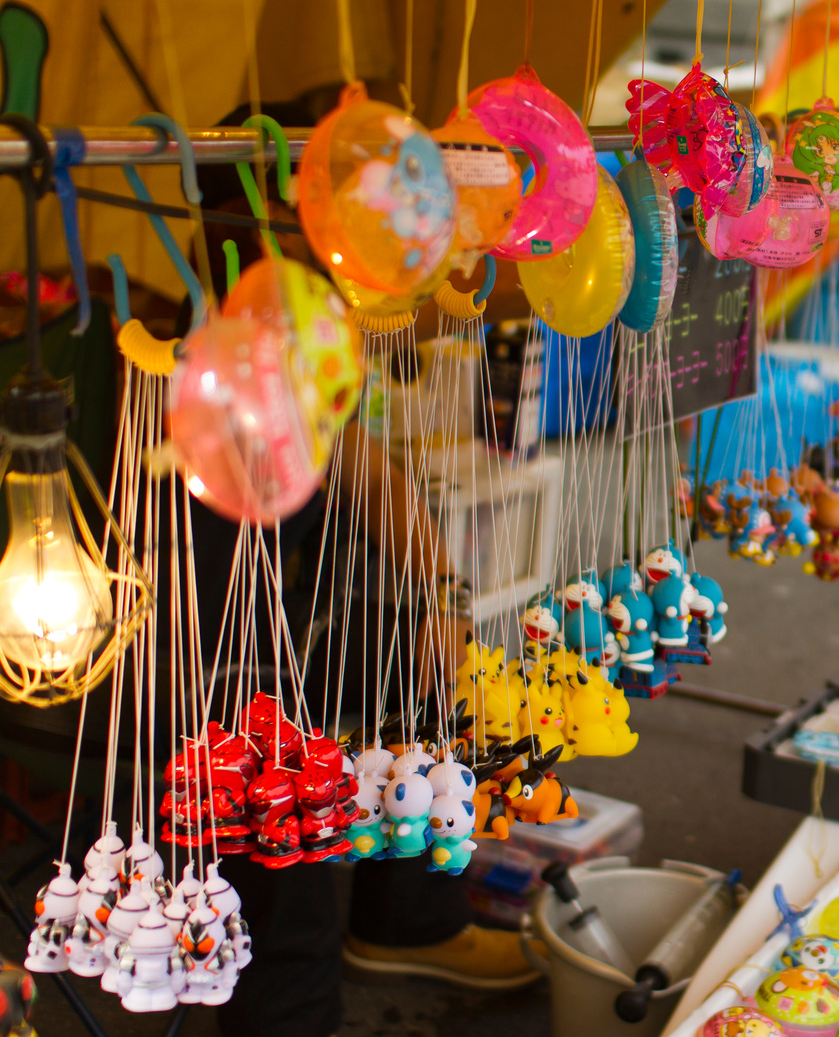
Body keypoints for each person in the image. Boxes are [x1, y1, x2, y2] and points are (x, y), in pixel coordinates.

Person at [172, 102, 539, 1037]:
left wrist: (440, 598)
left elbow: (368, 468)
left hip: (312, 621)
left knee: (419, 679)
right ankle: (288, 1014)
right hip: (207, 662)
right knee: (275, 784)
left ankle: (407, 921)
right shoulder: (199, 354)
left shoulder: (314, 329)